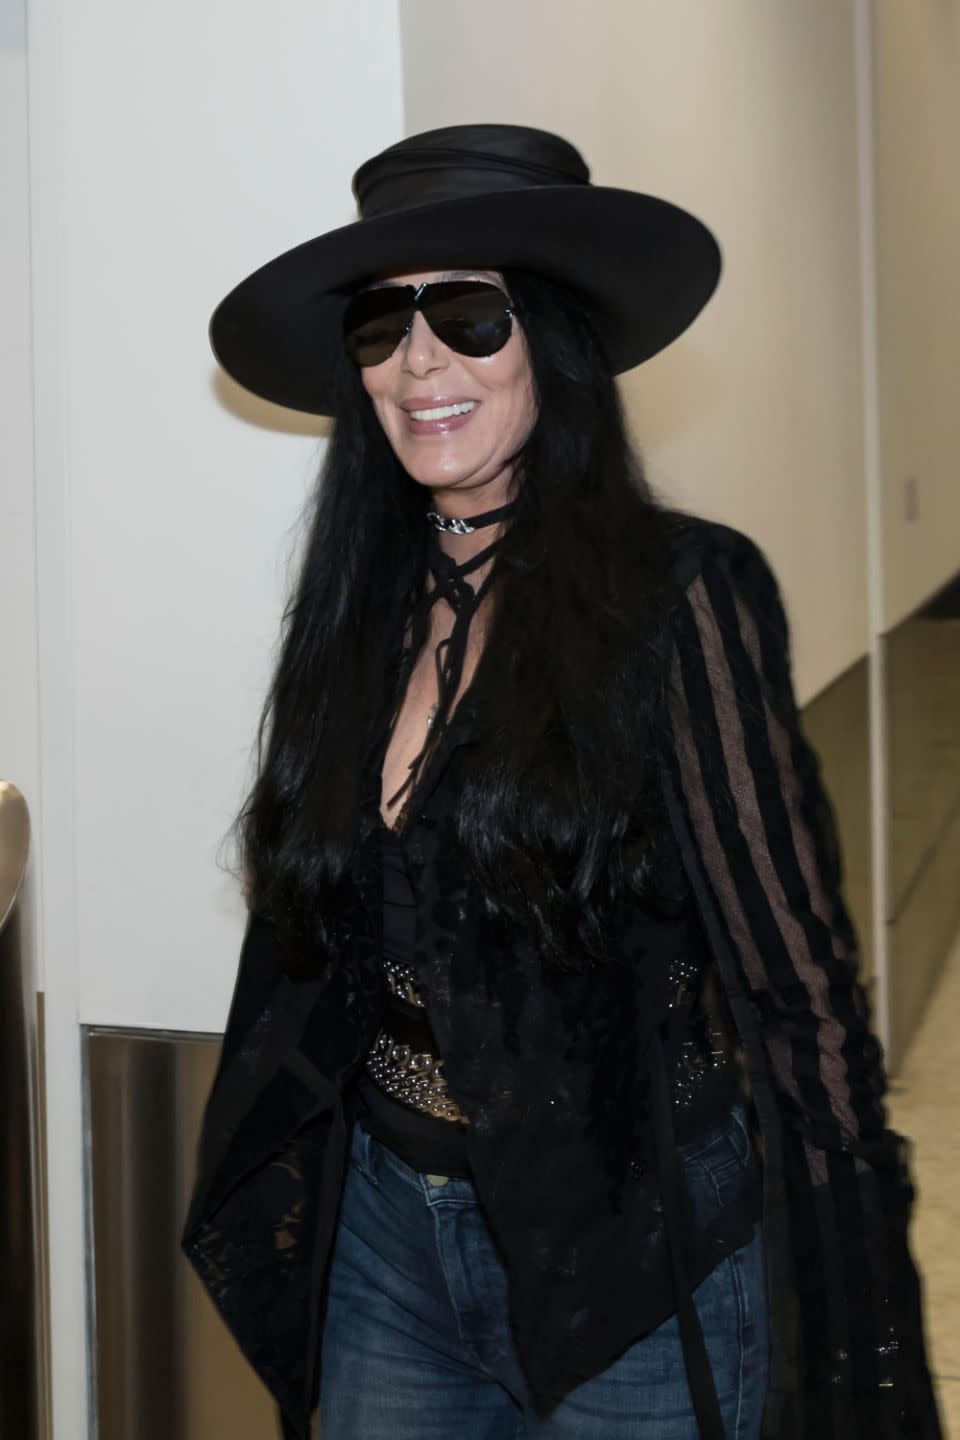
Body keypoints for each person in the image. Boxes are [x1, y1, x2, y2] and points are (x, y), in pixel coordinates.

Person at [181, 124, 940, 1440]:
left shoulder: (680, 597)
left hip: (633, 1247)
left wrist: (859, 1276)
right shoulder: (355, 608)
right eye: (381, 324)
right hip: (386, 1241)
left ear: (555, 341)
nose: (421, 362)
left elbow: (794, 975)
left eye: (469, 316)